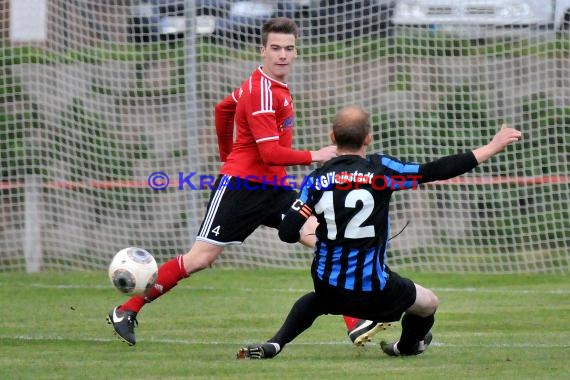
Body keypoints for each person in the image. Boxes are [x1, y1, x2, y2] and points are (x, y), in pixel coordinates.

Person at [107, 18, 383, 347]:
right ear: (262, 50)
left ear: (296, 52)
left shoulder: (267, 86)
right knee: (200, 259)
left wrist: (227, 151)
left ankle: (355, 320)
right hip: (242, 187)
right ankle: (127, 308)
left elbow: (223, 109)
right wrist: (314, 154)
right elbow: (268, 153)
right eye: (276, 48)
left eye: (289, 48)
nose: (283, 54)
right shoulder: (262, 93)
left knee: (324, 237)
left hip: (275, 189)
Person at [236, 105, 522, 359]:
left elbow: (287, 233)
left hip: (329, 287)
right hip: (375, 291)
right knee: (428, 304)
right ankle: (407, 347)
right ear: (368, 138)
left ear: (332, 138)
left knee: (316, 301)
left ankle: (275, 344)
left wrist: (317, 230)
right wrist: (491, 147)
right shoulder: (381, 171)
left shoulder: (317, 179)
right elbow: (434, 170)